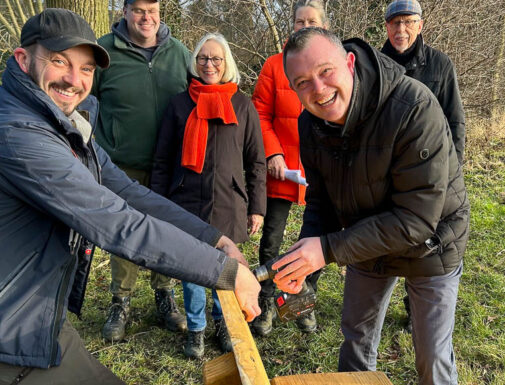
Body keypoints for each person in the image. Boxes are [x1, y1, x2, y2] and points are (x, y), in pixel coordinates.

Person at [0, 9, 260, 385]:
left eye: (86, 69)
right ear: (23, 59)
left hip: (18, 297)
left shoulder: (63, 129)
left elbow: (127, 192)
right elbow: (117, 223)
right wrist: (224, 273)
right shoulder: (19, 138)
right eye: (59, 61)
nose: (74, 79)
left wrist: (214, 239)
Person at [274, 27, 470, 385]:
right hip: (366, 238)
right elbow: (321, 202)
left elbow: (416, 219)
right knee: (356, 341)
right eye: (302, 82)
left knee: (431, 356)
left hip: (433, 241)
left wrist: (329, 249)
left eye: (325, 72)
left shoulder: (413, 107)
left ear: (349, 62)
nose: (318, 90)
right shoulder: (310, 124)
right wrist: (305, 266)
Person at [151, 32, 266, 359]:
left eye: (216, 58)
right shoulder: (179, 104)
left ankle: (224, 324)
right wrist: (159, 204)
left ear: (226, 62)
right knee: (192, 271)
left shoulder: (242, 105)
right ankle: (197, 330)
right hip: (185, 200)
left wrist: (257, 207)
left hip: (228, 202)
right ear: (194, 62)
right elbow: (161, 160)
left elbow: (256, 161)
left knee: (227, 270)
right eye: (203, 58)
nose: (209, 64)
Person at [91, 0, 194, 342]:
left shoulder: (180, 53)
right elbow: (81, 100)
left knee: (166, 232)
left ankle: (164, 294)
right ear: (124, 11)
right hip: (122, 167)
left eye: (152, 10)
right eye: (138, 10)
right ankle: (120, 301)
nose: (146, 17)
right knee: (124, 234)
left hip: (170, 167)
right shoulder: (104, 52)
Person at [379, 0, 466, 333]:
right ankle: (380, 294)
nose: (401, 30)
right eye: (394, 23)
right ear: (386, 26)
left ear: (420, 24)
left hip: (431, 172)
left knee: (427, 238)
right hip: (387, 167)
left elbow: (455, 120)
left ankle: (415, 306)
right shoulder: (376, 63)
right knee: (390, 232)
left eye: (408, 22)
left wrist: (451, 170)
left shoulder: (440, 65)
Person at [249, 0, 328, 337]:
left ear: (323, 26)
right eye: (299, 21)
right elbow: (260, 114)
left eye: (312, 21)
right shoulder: (272, 65)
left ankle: (301, 298)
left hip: (319, 172)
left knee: (316, 241)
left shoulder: (332, 65)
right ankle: (265, 302)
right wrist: (273, 154)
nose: (305, 26)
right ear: (292, 25)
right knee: (272, 239)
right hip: (281, 170)